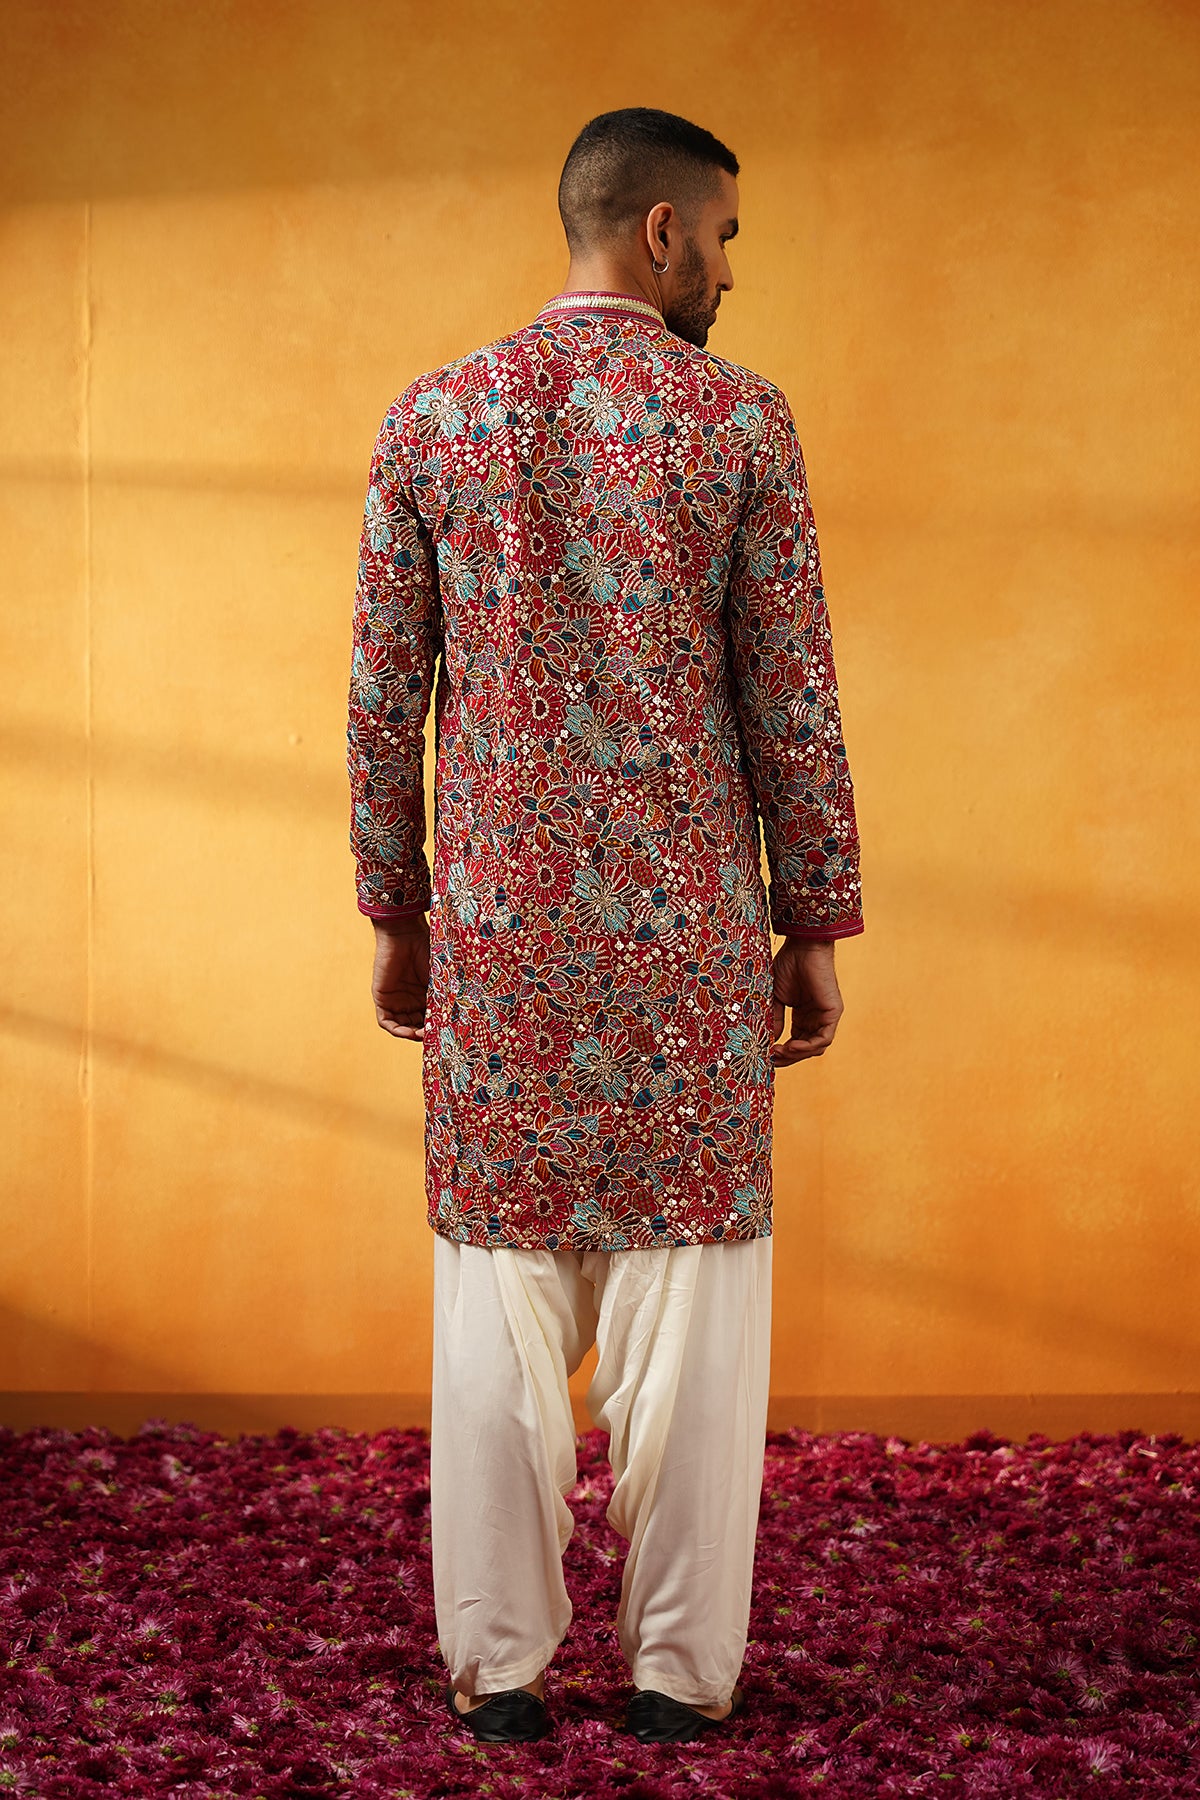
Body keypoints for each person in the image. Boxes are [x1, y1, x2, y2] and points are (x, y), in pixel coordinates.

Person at [346, 106, 864, 1745]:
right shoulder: (739, 420)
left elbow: (382, 699)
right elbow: (791, 693)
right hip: (691, 943)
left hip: (502, 941)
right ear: (661, 232)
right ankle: (679, 1677)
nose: (728, 270)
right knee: (691, 1315)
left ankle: (498, 1671)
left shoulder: (437, 416)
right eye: (723, 237)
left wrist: (397, 906)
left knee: (497, 1309)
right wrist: (813, 919)